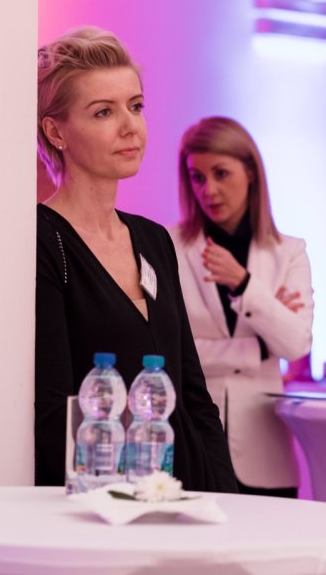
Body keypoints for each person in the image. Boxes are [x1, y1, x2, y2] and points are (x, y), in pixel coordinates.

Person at [35, 27, 236, 493]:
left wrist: (229, 503)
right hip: (101, 502)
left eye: (136, 106)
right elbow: (51, 415)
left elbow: (193, 396)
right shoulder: (44, 240)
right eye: (104, 112)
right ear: (55, 131)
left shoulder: (153, 240)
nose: (130, 126)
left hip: (183, 490)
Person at [169, 117, 314, 497]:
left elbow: (297, 344)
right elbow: (172, 353)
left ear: (250, 172)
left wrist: (245, 284)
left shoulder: (289, 253)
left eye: (220, 173)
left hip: (265, 455)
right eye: (197, 177)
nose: (208, 190)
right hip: (192, 448)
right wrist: (261, 346)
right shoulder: (168, 247)